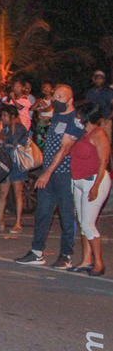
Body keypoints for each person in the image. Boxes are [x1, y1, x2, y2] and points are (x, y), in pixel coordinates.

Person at [15, 85, 82, 269]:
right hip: (49, 173)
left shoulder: (75, 120)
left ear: (70, 100)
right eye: (55, 95)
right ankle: (37, 252)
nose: (56, 99)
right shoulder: (57, 116)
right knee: (43, 213)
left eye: (61, 97)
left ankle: (66, 254)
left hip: (64, 174)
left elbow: (64, 149)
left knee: (66, 215)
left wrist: (47, 173)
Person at [68, 103, 110, 276]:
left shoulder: (99, 134)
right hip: (79, 182)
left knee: (88, 224)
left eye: (79, 115)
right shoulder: (85, 134)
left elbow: (103, 161)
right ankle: (87, 259)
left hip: (93, 181)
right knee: (83, 223)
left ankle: (99, 263)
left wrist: (96, 186)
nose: (77, 118)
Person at [0, 105, 28, 234]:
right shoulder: (5, 127)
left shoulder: (19, 127)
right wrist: (0, 132)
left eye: (5, 115)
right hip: (6, 163)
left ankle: (18, 222)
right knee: (2, 193)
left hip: (17, 164)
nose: (3, 118)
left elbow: (14, 141)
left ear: (11, 116)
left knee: (17, 193)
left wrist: (4, 138)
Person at [84, 70, 113, 139]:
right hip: (92, 121)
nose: (99, 80)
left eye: (101, 78)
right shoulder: (90, 92)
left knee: (105, 140)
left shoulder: (108, 92)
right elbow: (87, 105)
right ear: (93, 79)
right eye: (97, 78)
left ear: (104, 80)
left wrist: (108, 118)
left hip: (105, 121)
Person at [31, 80, 55, 148]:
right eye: (44, 88)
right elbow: (32, 108)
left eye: (48, 88)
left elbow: (49, 109)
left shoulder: (53, 99)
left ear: (52, 89)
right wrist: (39, 102)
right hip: (41, 122)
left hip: (49, 122)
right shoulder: (40, 100)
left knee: (48, 139)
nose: (46, 90)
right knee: (40, 140)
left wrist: (40, 109)